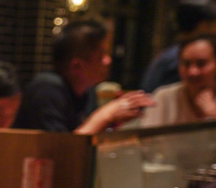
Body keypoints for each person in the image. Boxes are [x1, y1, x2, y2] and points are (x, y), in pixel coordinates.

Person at [14, 19, 154, 134]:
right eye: (101, 56)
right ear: (77, 66)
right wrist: (105, 115)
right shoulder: (46, 89)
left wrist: (113, 122)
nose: (108, 60)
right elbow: (59, 150)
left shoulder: (87, 91)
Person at [139, 34, 216, 127]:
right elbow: (146, 145)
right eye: (186, 64)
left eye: (201, 64)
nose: (193, 71)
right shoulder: (162, 98)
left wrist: (213, 117)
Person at [141, 0, 216, 93]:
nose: (214, 30)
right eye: (211, 25)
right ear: (202, 25)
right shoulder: (180, 59)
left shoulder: (170, 55)